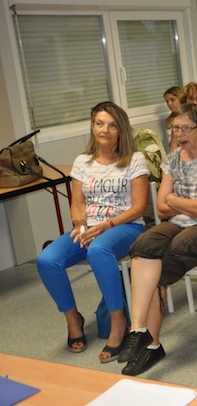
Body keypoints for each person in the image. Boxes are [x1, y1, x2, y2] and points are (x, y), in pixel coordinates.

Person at [118, 103, 197, 376]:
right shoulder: (171, 160)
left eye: (186, 128)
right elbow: (161, 208)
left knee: (173, 253)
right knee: (144, 246)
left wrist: (175, 200)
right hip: (177, 223)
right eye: (176, 127)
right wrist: (185, 203)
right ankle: (141, 333)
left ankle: (151, 342)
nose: (180, 133)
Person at [36, 102, 149, 362]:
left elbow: (139, 207)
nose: (105, 130)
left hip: (125, 226)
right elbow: (78, 203)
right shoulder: (82, 162)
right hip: (90, 227)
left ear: (121, 129)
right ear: (92, 126)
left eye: (111, 125)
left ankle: (118, 321)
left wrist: (105, 226)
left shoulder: (134, 159)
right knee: (47, 259)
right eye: (99, 123)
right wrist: (80, 225)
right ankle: (72, 319)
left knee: (99, 250)